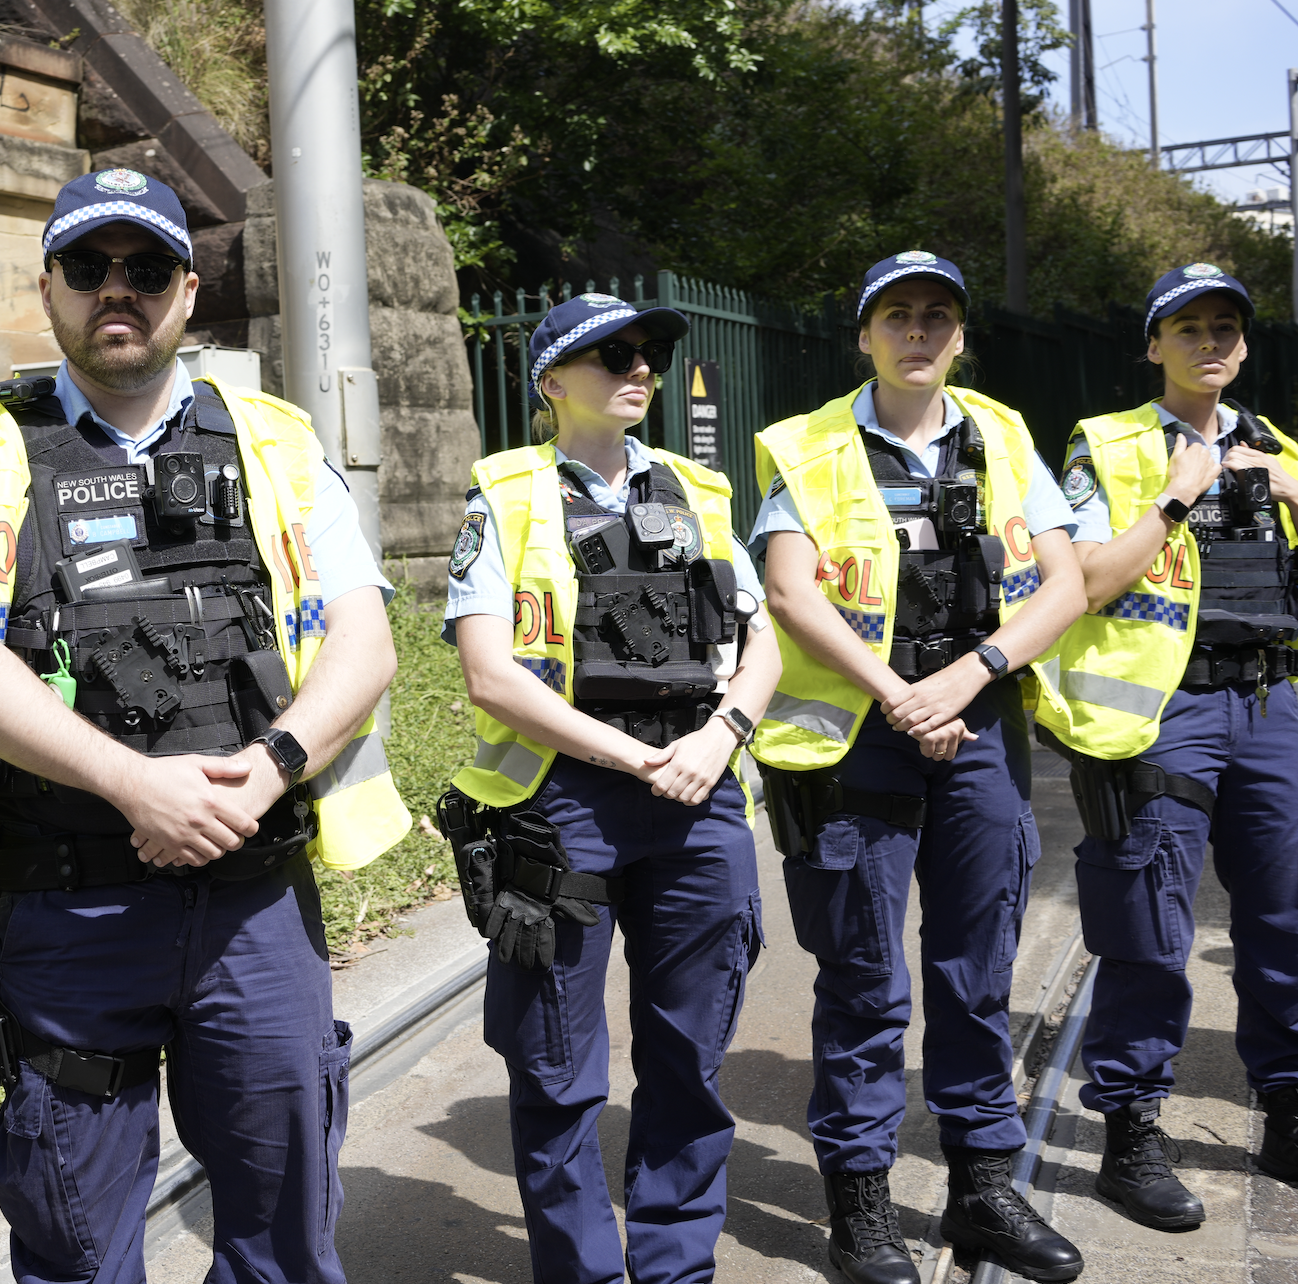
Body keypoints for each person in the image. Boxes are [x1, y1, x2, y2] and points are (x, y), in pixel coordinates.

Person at [0, 169, 410, 1284]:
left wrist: (268, 773)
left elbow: (364, 643)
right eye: (88, 267)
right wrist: (138, 787)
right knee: (76, 1245)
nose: (115, 290)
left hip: (251, 903)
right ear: (48, 289)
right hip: (70, 907)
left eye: (144, 268)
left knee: (285, 1231)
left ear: (188, 290)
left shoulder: (274, 446)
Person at [750, 253, 1089, 1284]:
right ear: (863, 335)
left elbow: (1065, 582)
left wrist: (973, 672)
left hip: (976, 734)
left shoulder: (1001, 433)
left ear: (957, 336)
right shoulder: (806, 443)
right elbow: (789, 589)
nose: (915, 333)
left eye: (935, 317)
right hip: (860, 741)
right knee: (863, 984)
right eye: (894, 316)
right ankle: (859, 1209)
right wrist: (900, 693)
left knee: (976, 974)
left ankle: (981, 1191)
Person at [439, 292, 779, 1283]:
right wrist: (636, 760)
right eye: (611, 355)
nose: (639, 368)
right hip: (565, 806)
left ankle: (676, 1268)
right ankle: (581, 1270)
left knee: (688, 1056)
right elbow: (489, 674)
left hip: (700, 792)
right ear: (551, 382)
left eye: (648, 355)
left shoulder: (699, 491)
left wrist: (721, 736)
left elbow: (760, 642)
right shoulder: (504, 496)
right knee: (554, 1066)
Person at [1036, 263, 1298, 1230]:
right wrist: (1180, 496)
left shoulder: (1281, 451)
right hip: (1165, 714)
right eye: (1187, 329)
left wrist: (1287, 489)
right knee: (1148, 926)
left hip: (1274, 706)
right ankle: (1131, 1128)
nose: (1211, 343)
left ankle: (1289, 1105)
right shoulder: (1104, 446)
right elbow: (1087, 582)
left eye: (1226, 327)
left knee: (1286, 919)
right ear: (1154, 347)